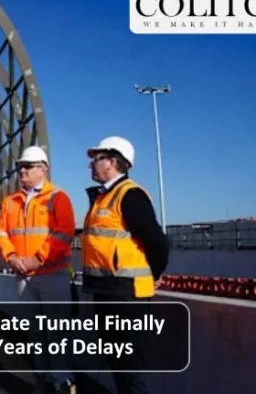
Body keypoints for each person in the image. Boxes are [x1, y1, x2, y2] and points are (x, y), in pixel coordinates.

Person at [81, 136, 170, 394]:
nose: (91, 165)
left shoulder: (129, 194)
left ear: (112, 162)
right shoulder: (102, 197)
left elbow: (157, 241)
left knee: (131, 365)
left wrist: (154, 274)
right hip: (106, 290)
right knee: (116, 360)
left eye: (96, 159)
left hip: (127, 294)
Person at [0, 145, 77, 394]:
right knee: (36, 333)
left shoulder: (58, 197)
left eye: (27, 167)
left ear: (43, 169)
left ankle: (61, 381)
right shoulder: (10, 202)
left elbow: (64, 233)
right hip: (23, 276)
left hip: (51, 274)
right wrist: (11, 257)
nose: (22, 171)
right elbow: (0, 232)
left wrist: (37, 259)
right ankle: (42, 378)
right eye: (20, 167)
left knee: (57, 333)